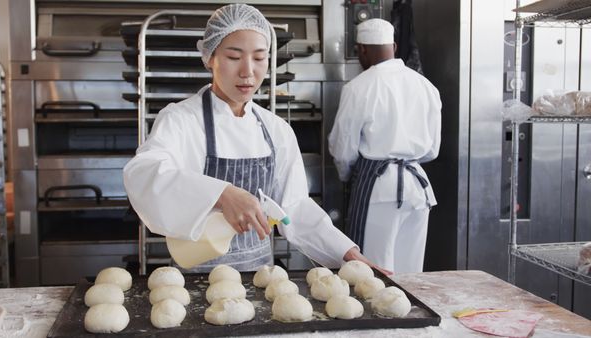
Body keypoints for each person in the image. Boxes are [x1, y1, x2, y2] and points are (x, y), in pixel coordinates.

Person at [123, 4, 389, 274]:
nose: (248, 71)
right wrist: (222, 194)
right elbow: (143, 174)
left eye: (259, 58)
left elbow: (293, 206)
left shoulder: (275, 129)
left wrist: (346, 253)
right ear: (209, 57)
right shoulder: (181, 120)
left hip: (261, 285)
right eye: (233, 56)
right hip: (195, 287)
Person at [328, 18, 441, 274]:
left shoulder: (359, 86)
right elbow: (432, 149)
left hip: (378, 187)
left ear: (362, 50)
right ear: (394, 45)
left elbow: (342, 146)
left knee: (373, 271)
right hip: (418, 189)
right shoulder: (426, 86)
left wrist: (347, 176)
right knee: (411, 273)